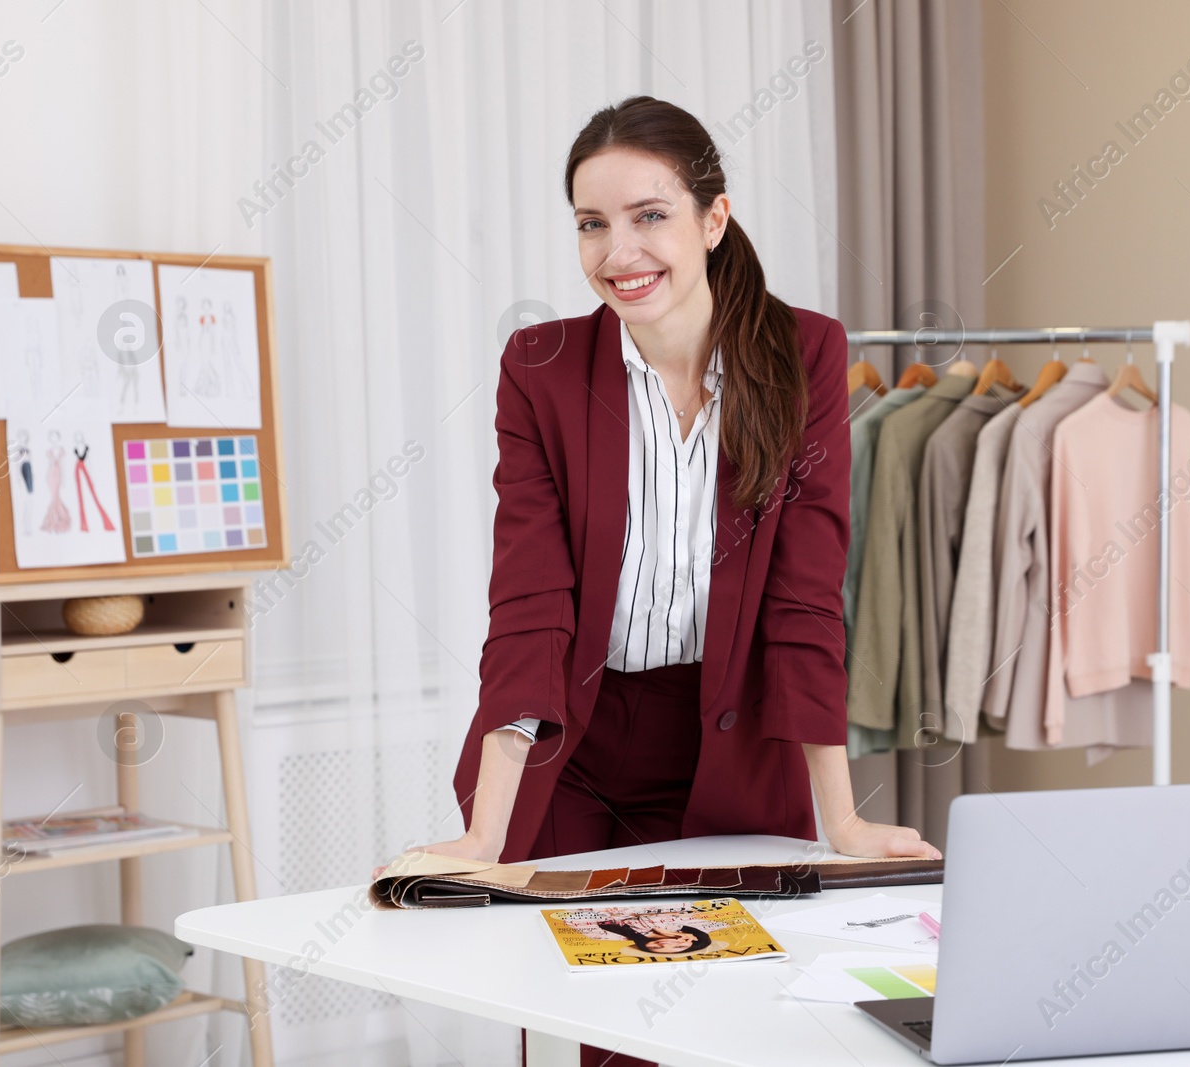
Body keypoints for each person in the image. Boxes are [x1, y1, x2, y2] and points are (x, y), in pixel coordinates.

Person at [390, 95, 940, 1066]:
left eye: (649, 216)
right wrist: (486, 826)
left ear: (712, 220)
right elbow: (528, 603)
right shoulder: (543, 366)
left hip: (727, 744)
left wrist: (840, 816)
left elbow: (804, 597)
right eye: (591, 224)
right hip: (581, 748)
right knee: (592, 1028)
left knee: (713, 1019)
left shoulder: (804, 351)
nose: (617, 251)